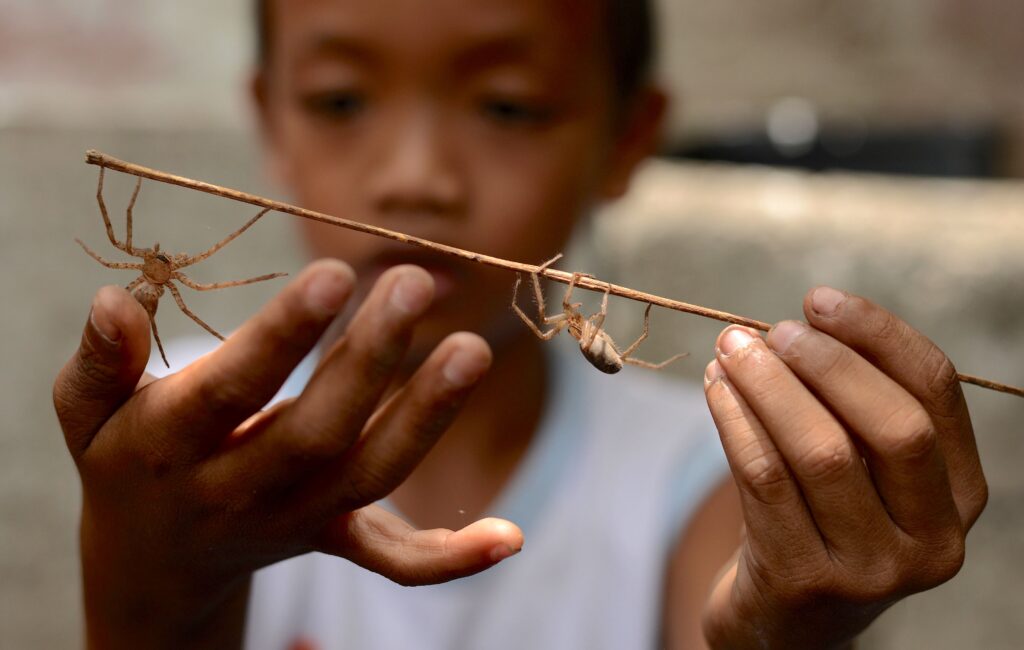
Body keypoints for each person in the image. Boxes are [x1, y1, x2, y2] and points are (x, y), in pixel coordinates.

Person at [52, 0, 988, 648]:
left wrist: (786, 633)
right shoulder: (182, 432)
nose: (417, 178)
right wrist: (149, 583)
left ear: (626, 140)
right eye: (340, 100)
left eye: (509, 106)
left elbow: (737, 612)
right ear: (272, 124)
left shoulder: (695, 477)